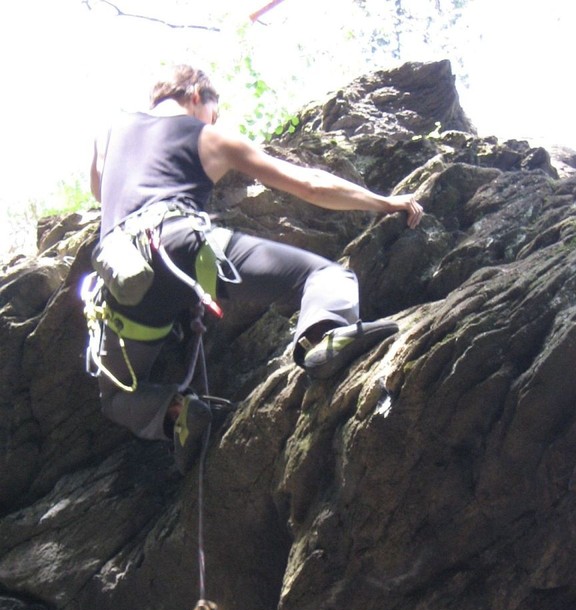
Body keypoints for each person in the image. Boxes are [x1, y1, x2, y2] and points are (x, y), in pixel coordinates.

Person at [89, 64, 423, 474]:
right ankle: (324, 338)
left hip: (123, 281)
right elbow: (311, 184)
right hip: (182, 247)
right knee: (326, 277)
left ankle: (178, 413)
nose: (215, 119)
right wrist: (386, 202)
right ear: (196, 94)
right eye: (214, 109)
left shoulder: (110, 130)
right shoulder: (208, 137)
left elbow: (98, 190)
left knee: (116, 396)